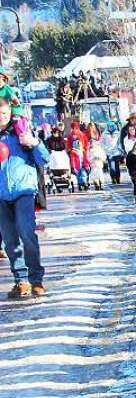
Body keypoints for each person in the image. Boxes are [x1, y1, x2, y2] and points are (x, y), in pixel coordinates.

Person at [0, 97, 48, 297]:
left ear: (10, 112)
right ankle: (21, 280)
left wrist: (34, 143)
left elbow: (44, 158)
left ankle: (36, 279)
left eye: (3, 113)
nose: (1, 118)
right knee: (10, 240)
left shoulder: (22, 131)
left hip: (24, 191)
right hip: (1, 195)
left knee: (26, 233)